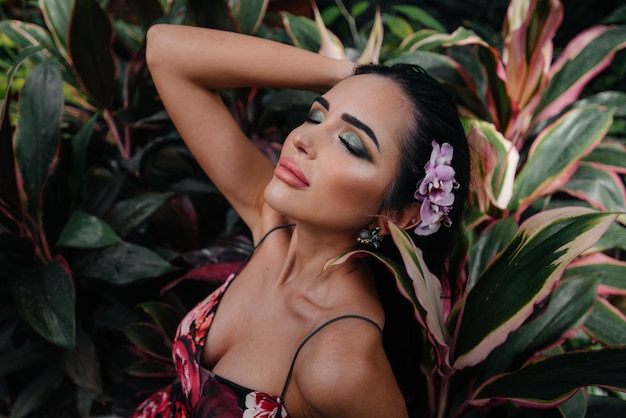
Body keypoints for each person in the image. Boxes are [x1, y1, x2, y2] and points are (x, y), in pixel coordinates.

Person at [134, 22, 470, 418]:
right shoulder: (273, 228)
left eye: (350, 143)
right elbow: (165, 49)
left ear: (397, 214)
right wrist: (354, 76)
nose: (302, 140)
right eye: (316, 115)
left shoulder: (338, 362)